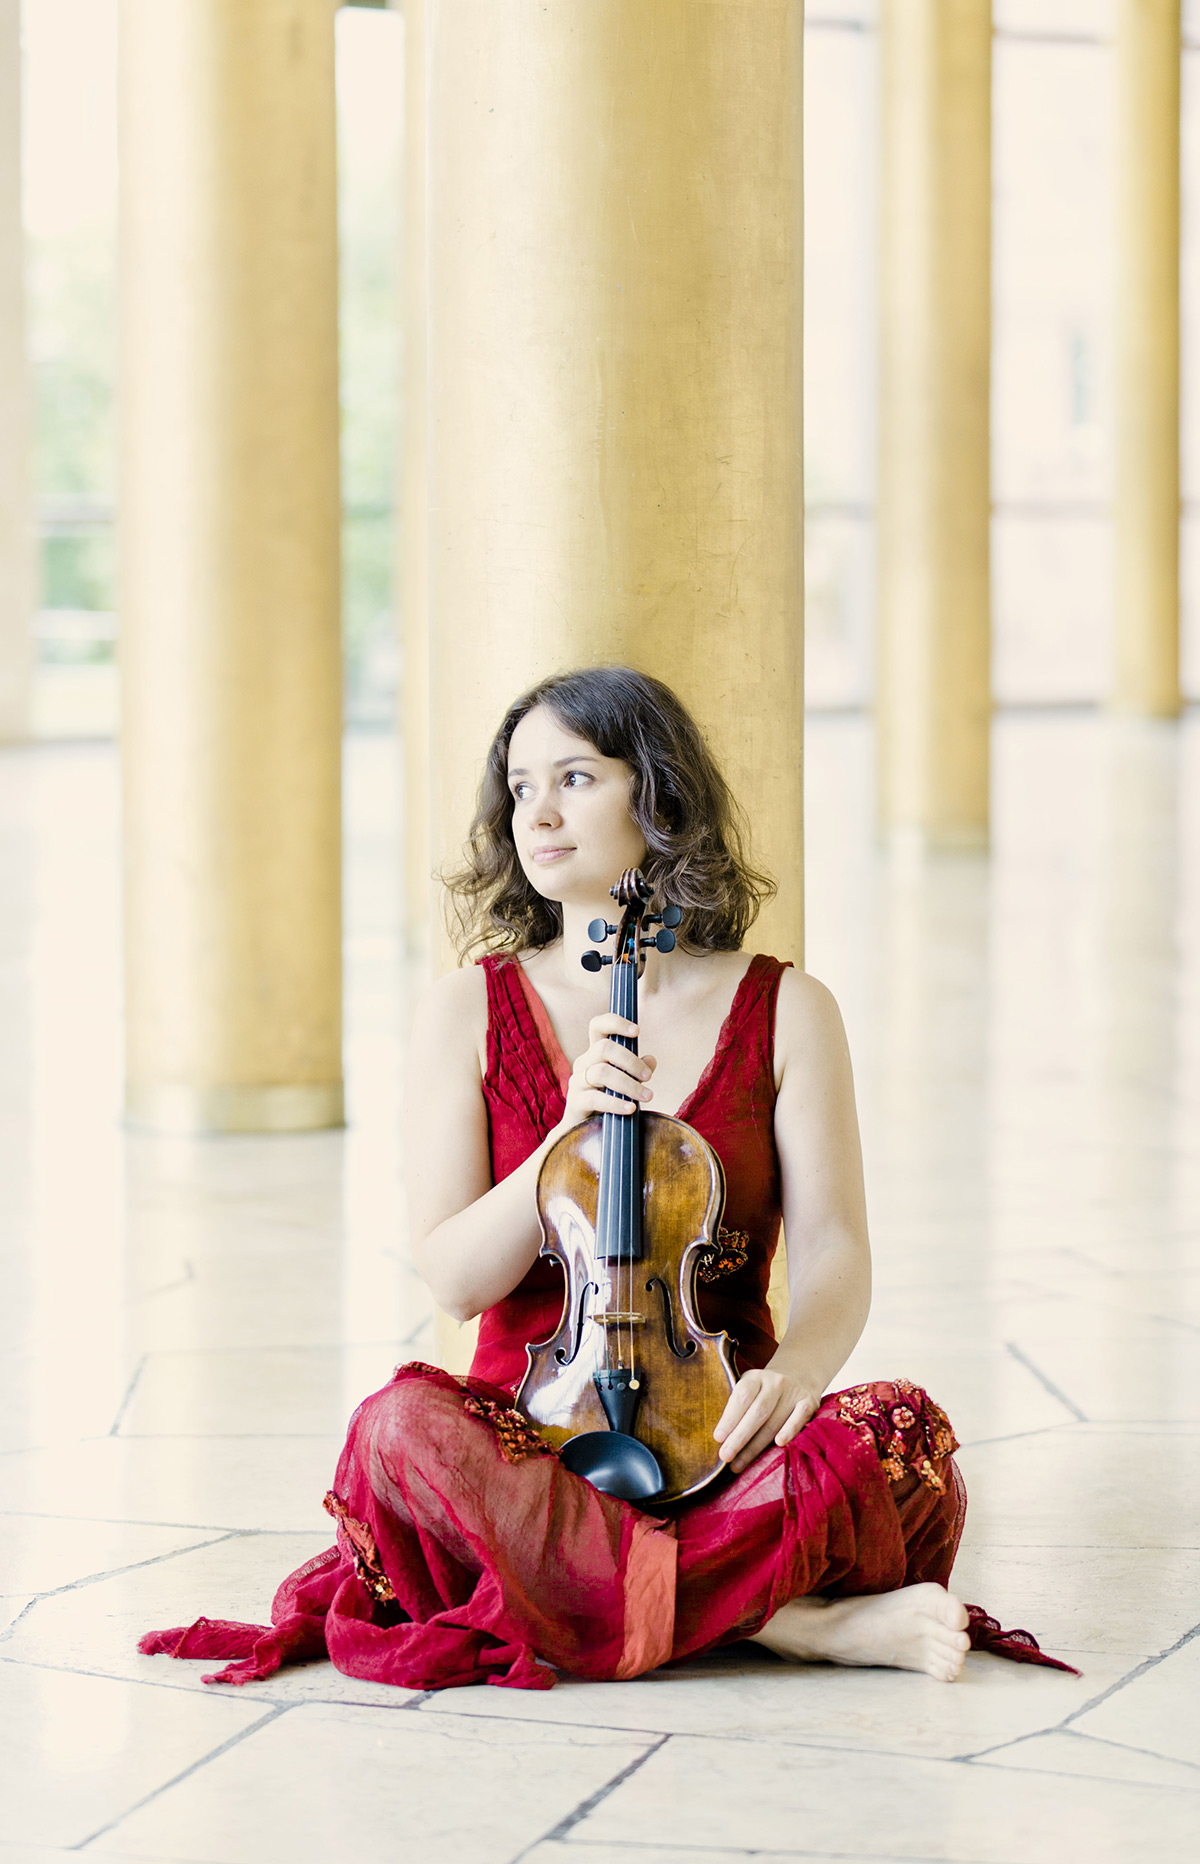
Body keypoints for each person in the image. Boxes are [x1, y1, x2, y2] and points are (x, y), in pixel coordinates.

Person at [141, 667, 1073, 1692]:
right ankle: (786, 1621)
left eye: (575, 778)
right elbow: (455, 1279)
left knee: (904, 1434)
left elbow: (835, 1246)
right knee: (396, 1433)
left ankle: (595, 1594)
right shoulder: (466, 1010)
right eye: (520, 787)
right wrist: (563, 1140)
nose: (537, 813)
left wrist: (801, 1372)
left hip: (725, 1435)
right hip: (531, 1448)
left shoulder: (789, 1009)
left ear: (656, 792)